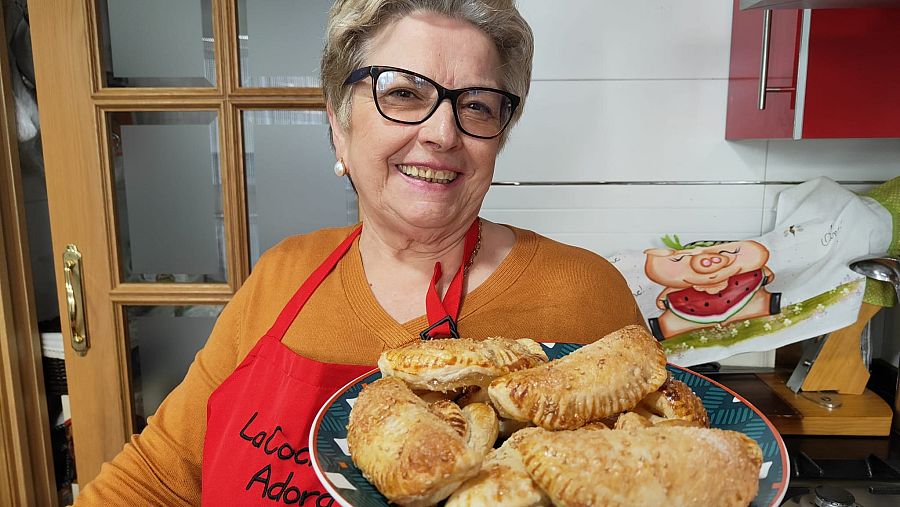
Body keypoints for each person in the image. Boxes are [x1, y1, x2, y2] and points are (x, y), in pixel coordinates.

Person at [74, 0, 644, 504]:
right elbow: (155, 480)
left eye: (476, 105)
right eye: (403, 93)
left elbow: (656, 474)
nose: (443, 133)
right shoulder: (282, 275)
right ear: (339, 125)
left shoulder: (582, 292)